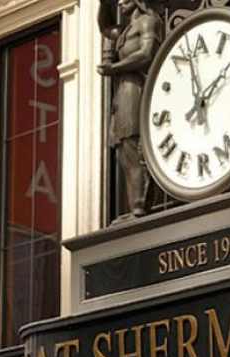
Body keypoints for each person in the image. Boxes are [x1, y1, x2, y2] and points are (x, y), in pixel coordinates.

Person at [97, 0, 163, 219]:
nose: (120, 2)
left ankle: (142, 202)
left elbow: (146, 54)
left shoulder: (148, 22)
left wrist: (114, 67)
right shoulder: (125, 31)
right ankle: (136, 202)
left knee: (133, 142)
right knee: (124, 149)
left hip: (137, 86)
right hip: (122, 90)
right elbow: (106, 27)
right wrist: (103, 3)